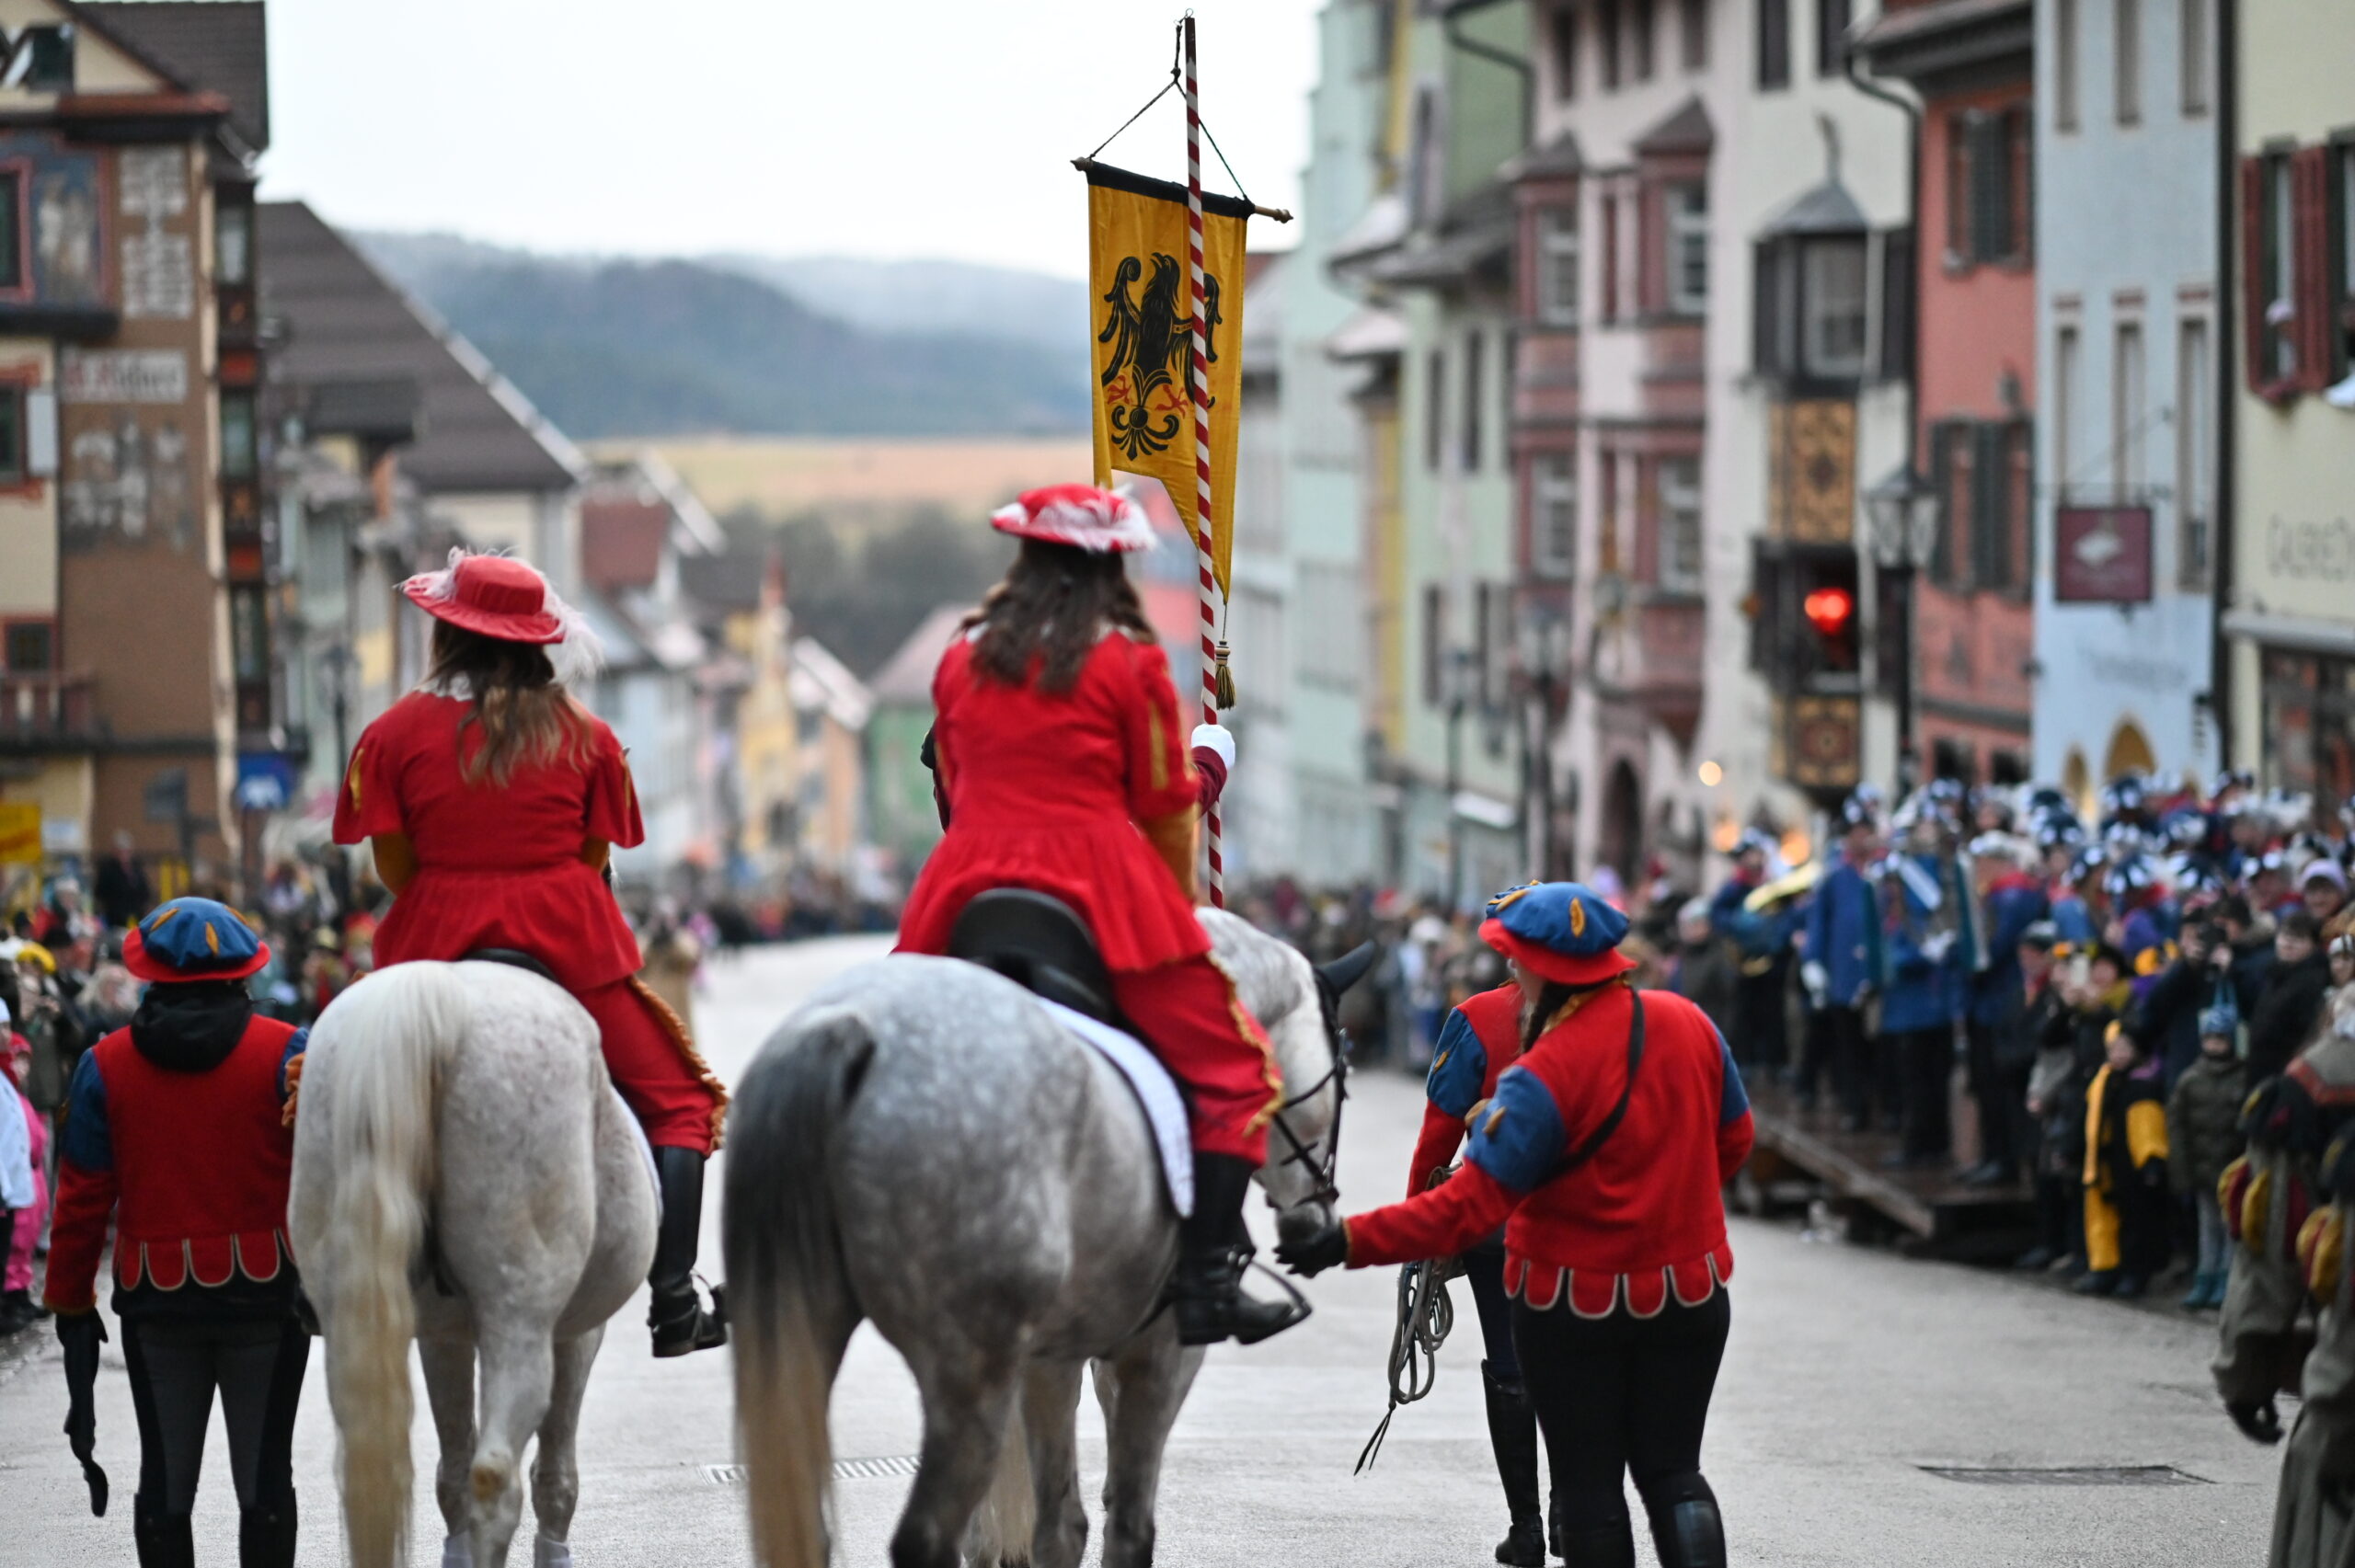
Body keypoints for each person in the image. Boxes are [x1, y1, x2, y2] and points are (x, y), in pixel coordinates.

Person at [894, 485, 1299, 1348]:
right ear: (1112, 565)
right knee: (1236, 1070)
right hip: (1092, 883)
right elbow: (1161, 806)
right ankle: (1205, 1281)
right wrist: (1199, 797)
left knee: (887, 1051)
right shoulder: (1131, 664)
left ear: (1026, 560)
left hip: (963, 883)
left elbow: (955, 783)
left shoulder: (961, 660)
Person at [1280, 883, 1753, 1568]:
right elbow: (1734, 1140)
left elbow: (1466, 1207)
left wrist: (1346, 1239)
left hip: (1572, 1305)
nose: (1510, 970)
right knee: (1675, 1471)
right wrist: (1669, 1203)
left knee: (1590, 1487)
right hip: (1691, 1290)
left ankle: (1531, 1525)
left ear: (1537, 967)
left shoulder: (1540, 1075)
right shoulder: (1690, 1022)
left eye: (1514, 958)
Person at [332, 551, 729, 1357]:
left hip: (433, 940)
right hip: (567, 939)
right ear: (537, 641)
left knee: (324, 1087)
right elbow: (592, 856)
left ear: (448, 634)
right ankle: (673, 1298)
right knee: (680, 1101)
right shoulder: (591, 736)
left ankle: (316, 1279)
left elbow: (395, 869)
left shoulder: (390, 734)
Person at [43, 898, 307, 1566]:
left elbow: (81, 1199)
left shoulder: (104, 1063)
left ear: (149, 970)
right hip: (266, 1296)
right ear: (243, 970)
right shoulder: (288, 1052)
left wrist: (70, 1298)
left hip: (156, 1301)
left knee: (165, 1480)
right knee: (265, 1479)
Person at [1407, 975, 1551, 1567]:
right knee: (1581, 1360)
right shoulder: (1624, 1013)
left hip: (1503, 1220)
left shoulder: (1478, 1016)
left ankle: (1528, 1529)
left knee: (1512, 1363)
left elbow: (1438, 1135)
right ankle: (1575, 1509)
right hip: (1594, 1220)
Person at [1962, 836, 2049, 1185]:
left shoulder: (2012, 897)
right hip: (1992, 1002)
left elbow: (1989, 950)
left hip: (2000, 1002)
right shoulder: (2000, 896)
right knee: (1987, 1086)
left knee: (1997, 1087)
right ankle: (1993, 1155)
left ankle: (2003, 1160)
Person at [1800, 798, 1881, 1127]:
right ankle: (1855, 1106)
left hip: (1877, 972)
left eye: (1864, 830)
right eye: (1853, 832)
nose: (1859, 838)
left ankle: (1884, 1107)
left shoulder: (1884, 871)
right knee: (1848, 1045)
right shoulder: (1835, 877)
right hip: (1844, 972)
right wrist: (1813, 960)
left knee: (1881, 1046)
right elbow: (1819, 922)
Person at [2078, 1022, 2170, 1298]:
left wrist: (2152, 1162)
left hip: (2131, 1168)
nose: (2117, 1055)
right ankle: (2106, 1268)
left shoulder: (2141, 1087)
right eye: (2113, 1049)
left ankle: (2135, 1272)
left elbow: (2149, 1129)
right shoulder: (2103, 1083)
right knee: (2104, 1219)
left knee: (2136, 1222)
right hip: (2104, 1165)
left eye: (2124, 1048)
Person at [2166, 1006, 2246, 1310]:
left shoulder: (2243, 1077)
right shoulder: (2190, 1079)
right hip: (2201, 1168)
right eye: (2209, 1038)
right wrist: (2181, 1170)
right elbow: (2177, 1127)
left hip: (2231, 1167)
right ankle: (2205, 1277)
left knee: (2230, 1228)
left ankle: (2225, 1280)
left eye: (2220, 1039)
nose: (2214, 1045)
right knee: (2207, 1227)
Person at [2247, 911, 2331, 1087]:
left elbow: (2307, 1033)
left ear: (2314, 946)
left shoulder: (2314, 982)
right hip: (2262, 1069)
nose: (2288, 943)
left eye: (2299, 938)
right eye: (2285, 936)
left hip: (2287, 1074)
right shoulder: (2275, 976)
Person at [94, 830, 152, 931]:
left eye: (127, 851)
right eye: (121, 851)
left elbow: (144, 888)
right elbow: (100, 892)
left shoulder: (136, 866)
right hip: (116, 916)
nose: (124, 854)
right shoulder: (107, 869)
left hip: (137, 913)